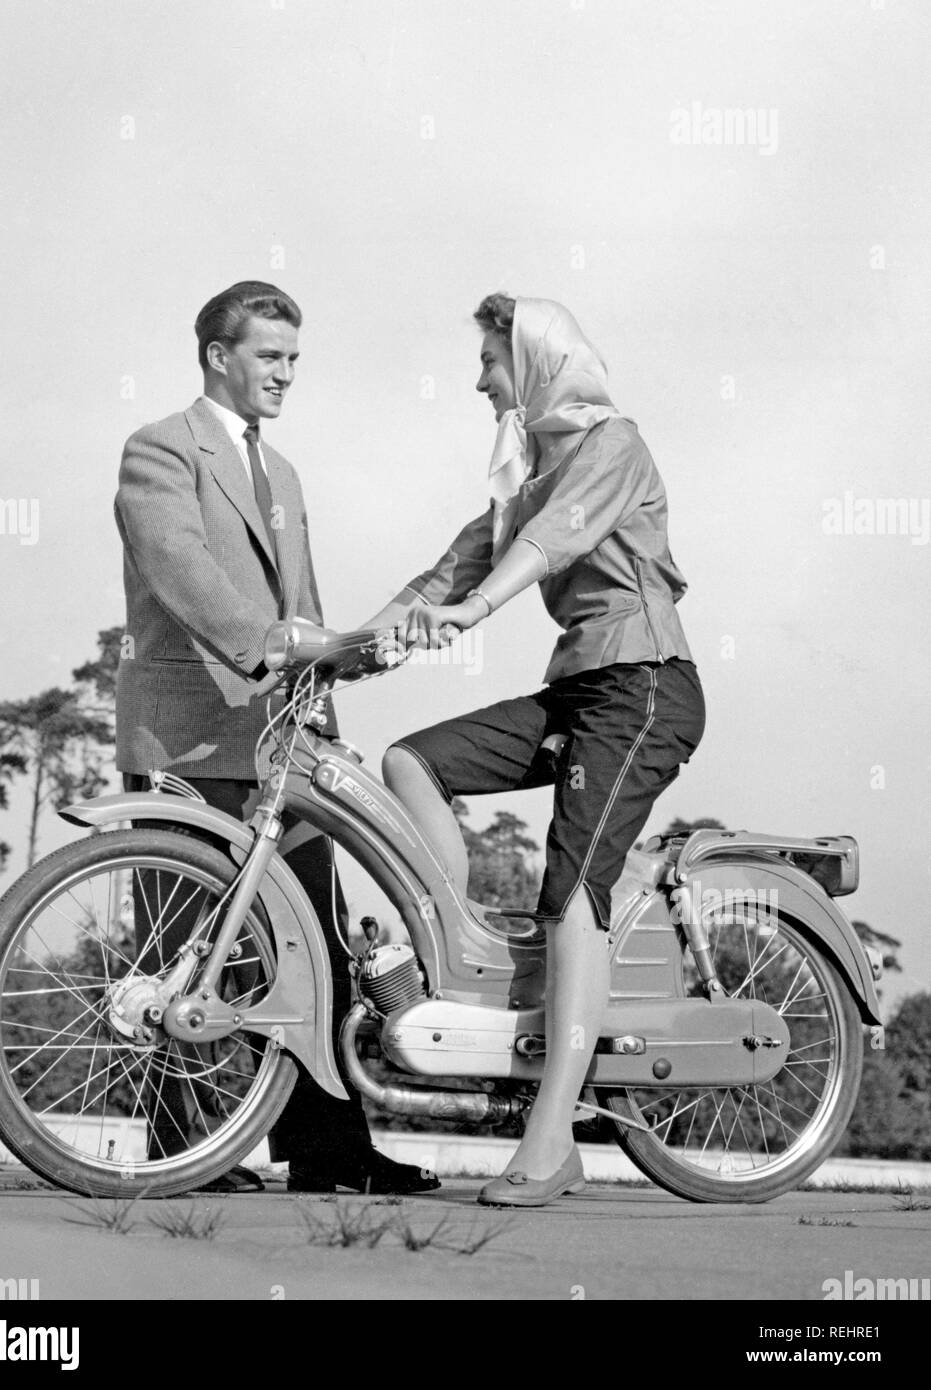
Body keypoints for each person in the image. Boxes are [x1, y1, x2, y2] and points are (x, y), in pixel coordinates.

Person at [365, 294, 706, 1207]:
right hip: (580, 689)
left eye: (489, 359)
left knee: (570, 894)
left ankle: (552, 1140)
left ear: (537, 358)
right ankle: (454, 963)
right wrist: (341, 651)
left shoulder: (612, 444)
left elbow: (551, 547)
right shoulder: (525, 470)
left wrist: (475, 612)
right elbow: (445, 573)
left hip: (643, 682)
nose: (478, 379)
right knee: (411, 761)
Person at [114, 279, 438, 1195]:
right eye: (269, 356)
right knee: (178, 948)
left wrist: (327, 704)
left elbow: (305, 609)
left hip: (283, 747)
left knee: (317, 943)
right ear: (218, 355)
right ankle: (181, 1151)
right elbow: (180, 567)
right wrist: (272, 644)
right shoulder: (159, 450)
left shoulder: (284, 474)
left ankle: (328, 1150)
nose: (286, 374)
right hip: (183, 738)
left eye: (294, 358)